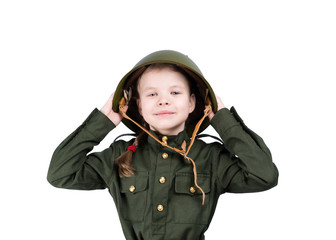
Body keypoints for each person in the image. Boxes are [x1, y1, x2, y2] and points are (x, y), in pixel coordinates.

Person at [47, 50, 279, 240]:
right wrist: (102, 122)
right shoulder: (119, 156)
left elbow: (264, 175)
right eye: (152, 94)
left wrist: (223, 120)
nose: (163, 100)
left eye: (175, 92)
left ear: (191, 103)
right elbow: (60, 173)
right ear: (138, 106)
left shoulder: (211, 158)